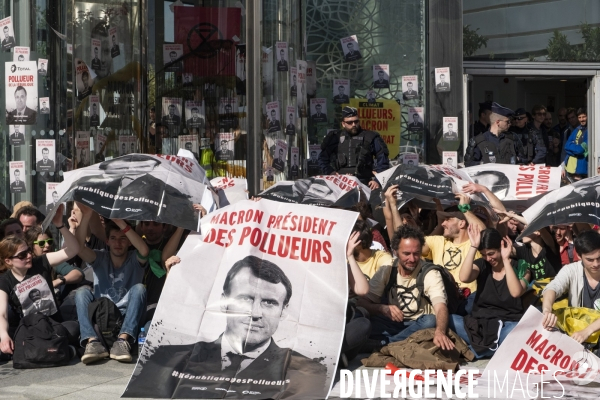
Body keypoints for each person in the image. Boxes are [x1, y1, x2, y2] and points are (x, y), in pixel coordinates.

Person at [124, 255, 327, 398]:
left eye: (269, 302)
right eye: (246, 299)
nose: (255, 313)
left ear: (283, 310)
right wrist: (175, 279)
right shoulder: (169, 357)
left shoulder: (307, 370)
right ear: (224, 302)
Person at [357, 225, 456, 349]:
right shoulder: (387, 268)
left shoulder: (430, 273)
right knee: (362, 320)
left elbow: (441, 306)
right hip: (392, 323)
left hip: (418, 324)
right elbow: (363, 302)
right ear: (395, 252)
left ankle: (386, 343)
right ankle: (399, 340)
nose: (412, 259)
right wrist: (382, 308)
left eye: (416, 254)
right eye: (406, 254)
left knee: (430, 321)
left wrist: (440, 332)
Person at [0, 205, 80, 357]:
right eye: (22, 256)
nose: (28, 256)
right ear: (8, 261)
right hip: (30, 330)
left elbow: (73, 249)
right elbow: (1, 313)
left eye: (28, 252)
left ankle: (45, 351)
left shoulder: (41, 262)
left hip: (54, 327)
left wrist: (60, 225)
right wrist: (4, 336)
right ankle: (61, 351)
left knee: (73, 328)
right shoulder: (5, 281)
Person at [73, 204, 149, 364]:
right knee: (81, 292)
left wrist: (122, 224)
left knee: (139, 288)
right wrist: (86, 216)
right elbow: (78, 249)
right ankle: (92, 342)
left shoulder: (135, 258)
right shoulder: (100, 257)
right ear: (107, 241)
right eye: (113, 238)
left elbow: (144, 251)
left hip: (127, 316)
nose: (118, 243)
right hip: (103, 315)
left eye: (123, 239)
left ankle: (123, 341)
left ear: (129, 242)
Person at [451, 226, 529, 358]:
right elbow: (464, 277)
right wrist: (473, 247)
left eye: (491, 253)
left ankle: (476, 350)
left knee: (515, 331)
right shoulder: (482, 264)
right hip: (480, 324)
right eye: (483, 254)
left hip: (507, 323)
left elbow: (516, 292)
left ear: (501, 247)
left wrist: (505, 260)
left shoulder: (521, 266)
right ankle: (491, 350)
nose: (488, 259)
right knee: (450, 319)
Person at [542, 230, 600, 344]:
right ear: (578, 256)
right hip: (577, 332)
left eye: (599, 258)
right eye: (590, 259)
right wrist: (547, 310)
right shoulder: (571, 270)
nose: (596, 264)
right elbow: (553, 287)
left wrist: (587, 331)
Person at [319, 106, 389, 188]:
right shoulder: (335, 137)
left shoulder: (370, 137)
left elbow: (383, 159)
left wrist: (377, 181)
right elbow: (322, 159)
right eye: (350, 122)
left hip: (364, 183)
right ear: (343, 124)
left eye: (356, 121)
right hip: (341, 183)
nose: (354, 125)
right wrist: (330, 172)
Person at [24, 226, 84, 293]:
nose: (47, 245)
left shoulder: (52, 261)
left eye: (49, 242)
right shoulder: (23, 265)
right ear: (30, 246)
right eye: (42, 243)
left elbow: (78, 274)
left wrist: (58, 281)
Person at [564, 107, 588, 180]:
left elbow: (580, 150)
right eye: (579, 117)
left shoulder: (590, 130)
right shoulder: (577, 129)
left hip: (583, 172)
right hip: (571, 170)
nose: (582, 119)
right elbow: (566, 146)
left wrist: (572, 149)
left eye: (584, 117)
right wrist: (576, 150)